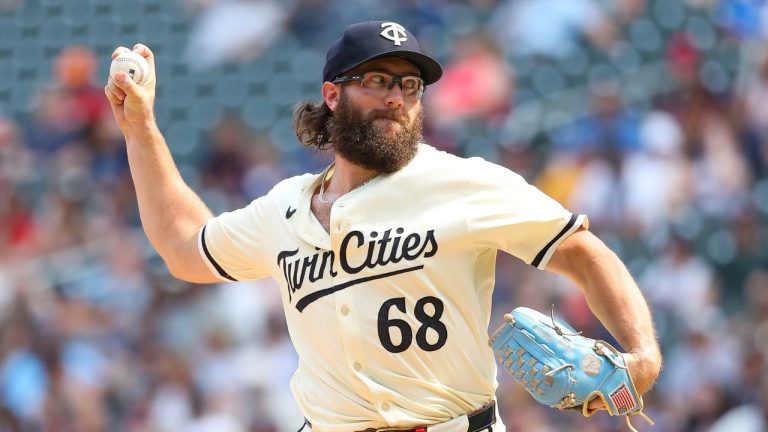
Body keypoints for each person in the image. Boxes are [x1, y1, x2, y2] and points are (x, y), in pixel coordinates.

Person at [104, 21, 662, 432]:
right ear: (332, 94)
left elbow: (582, 251)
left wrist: (643, 354)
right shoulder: (285, 207)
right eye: (377, 79)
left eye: (411, 85)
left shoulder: (462, 182)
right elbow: (184, 248)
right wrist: (140, 127)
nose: (396, 96)